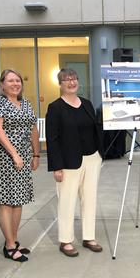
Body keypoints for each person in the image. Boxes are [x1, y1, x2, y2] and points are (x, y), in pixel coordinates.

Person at [46, 68, 104, 257]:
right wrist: (56, 166)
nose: (71, 82)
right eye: (66, 80)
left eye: (74, 78)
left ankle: (89, 237)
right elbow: (52, 139)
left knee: (90, 199)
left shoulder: (86, 103)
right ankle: (66, 240)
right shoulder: (55, 108)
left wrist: (100, 154)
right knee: (67, 201)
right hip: (68, 163)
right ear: (60, 84)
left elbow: (96, 129)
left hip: (92, 158)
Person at [0, 69, 40, 262]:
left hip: (23, 157)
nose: (15, 84)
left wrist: (36, 153)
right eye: (10, 81)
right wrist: (14, 154)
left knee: (18, 200)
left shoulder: (26, 103)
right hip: (4, 158)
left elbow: (33, 128)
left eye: (18, 80)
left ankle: (14, 240)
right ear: (2, 84)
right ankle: (9, 246)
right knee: (7, 200)